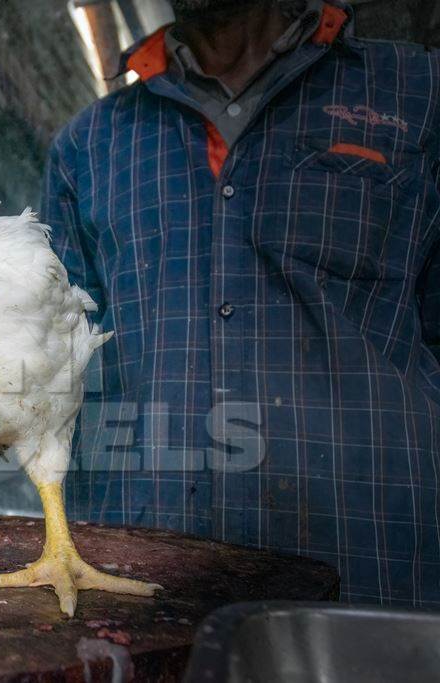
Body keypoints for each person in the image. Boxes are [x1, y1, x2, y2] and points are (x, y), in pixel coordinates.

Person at [22, 0, 439, 606]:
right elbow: (53, 361)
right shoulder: (91, 144)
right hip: (141, 579)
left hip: (371, 572)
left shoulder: (417, 93)